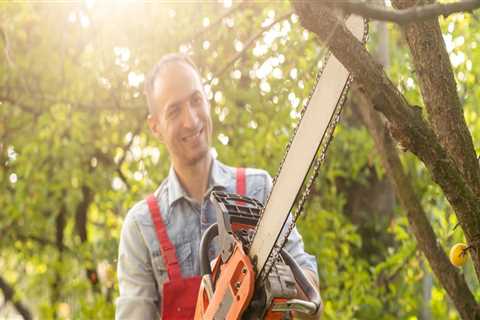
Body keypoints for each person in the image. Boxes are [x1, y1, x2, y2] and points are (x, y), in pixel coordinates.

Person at [115, 53, 321, 319]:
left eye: (195, 100)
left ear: (207, 100)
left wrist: (277, 286)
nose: (191, 120)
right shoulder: (141, 228)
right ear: (155, 126)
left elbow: (312, 303)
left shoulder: (258, 190)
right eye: (174, 111)